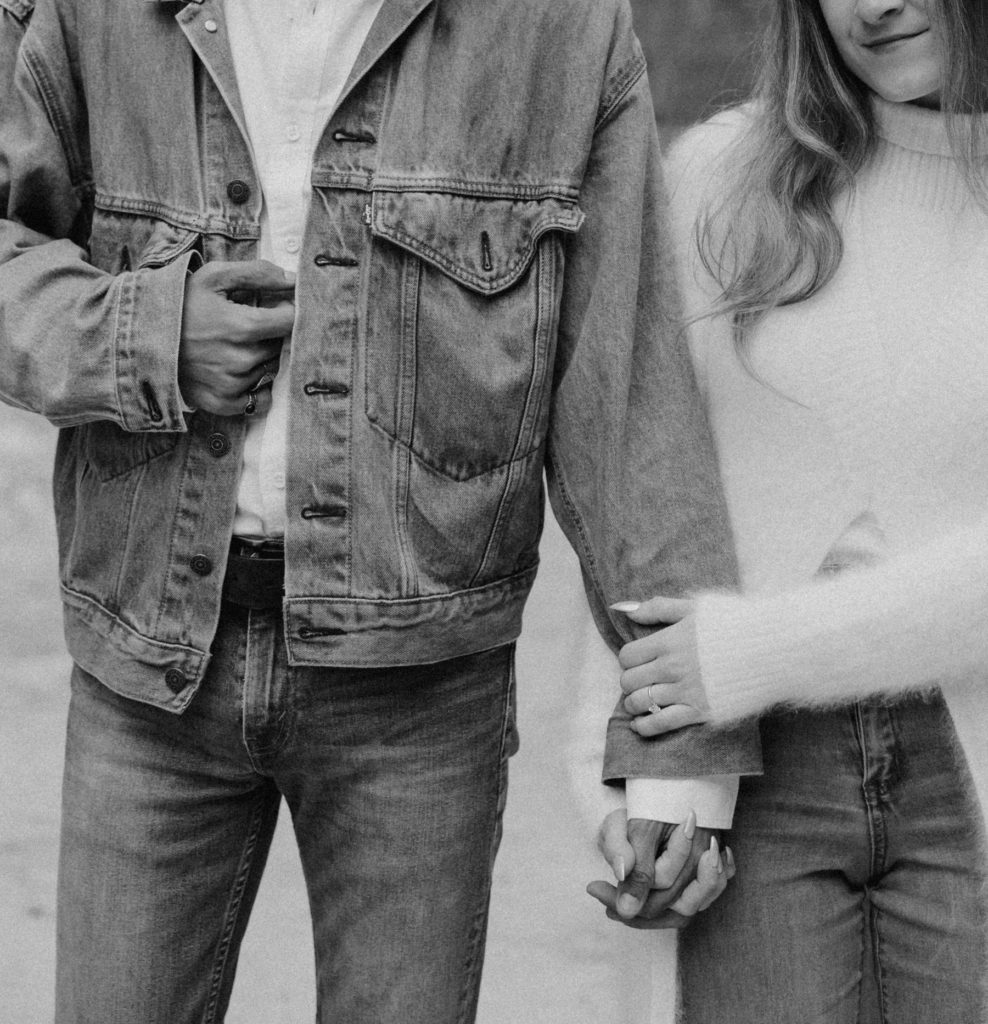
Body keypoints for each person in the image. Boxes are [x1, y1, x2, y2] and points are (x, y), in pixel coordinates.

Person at [0, 0, 745, 1020]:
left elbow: (627, 387)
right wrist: (147, 336)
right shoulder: (89, 15)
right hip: (148, 665)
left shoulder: (557, 29)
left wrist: (679, 749)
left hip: (422, 693)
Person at [582, 0, 988, 1020]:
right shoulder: (721, 177)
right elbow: (651, 489)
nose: (873, 6)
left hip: (963, 767)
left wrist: (751, 652)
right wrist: (643, 785)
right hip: (756, 781)